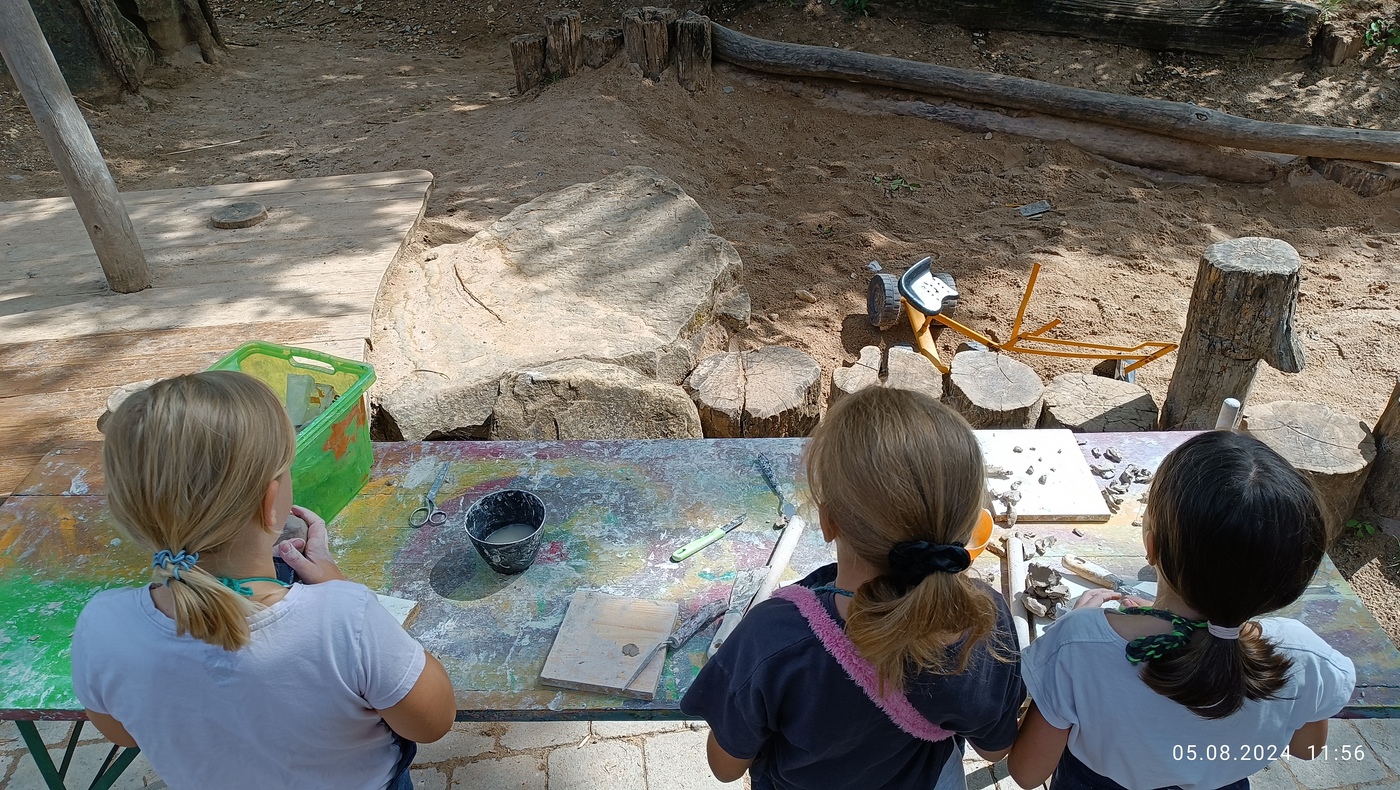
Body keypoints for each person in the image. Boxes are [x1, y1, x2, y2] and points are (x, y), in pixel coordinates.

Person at [71, 371, 455, 790]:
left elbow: (123, 733)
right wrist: (340, 588)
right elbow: (432, 722)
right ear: (272, 502)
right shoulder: (345, 618)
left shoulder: (102, 625)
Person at [681, 386, 1026, 789]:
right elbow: (994, 749)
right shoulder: (984, 621)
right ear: (967, 527)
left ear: (829, 522)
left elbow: (725, 768)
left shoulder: (772, 637)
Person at [1008, 430, 1356, 790]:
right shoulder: (1305, 656)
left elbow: (1027, 773)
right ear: (1290, 577)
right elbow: (1307, 748)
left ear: (1151, 545)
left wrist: (1081, 623)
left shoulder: (1077, 646)